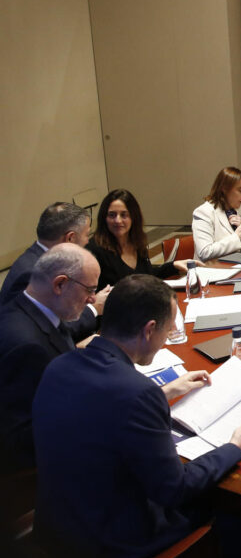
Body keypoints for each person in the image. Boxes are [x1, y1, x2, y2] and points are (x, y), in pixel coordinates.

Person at [32, 274, 241, 558]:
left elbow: (101, 406)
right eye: (168, 331)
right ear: (149, 330)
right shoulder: (137, 393)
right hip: (112, 549)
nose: (167, 339)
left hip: (57, 534)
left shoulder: (59, 365)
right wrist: (235, 446)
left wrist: (164, 392)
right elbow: (175, 489)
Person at [0, 244, 100, 471]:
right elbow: (23, 437)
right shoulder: (26, 346)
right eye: (89, 290)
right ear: (60, 284)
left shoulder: (31, 310)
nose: (93, 299)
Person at [0, 203, 110, 339]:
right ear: (70, 238)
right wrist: (94, 308)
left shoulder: (41, 259)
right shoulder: (32, 273)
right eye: (87, 234)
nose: (87, 241)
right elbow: (51, 330)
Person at [87, 189, 190, 289]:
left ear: (134, 217)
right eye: (112, 215)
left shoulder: (136, 242)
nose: (118, 220)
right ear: (104, 218)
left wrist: (173, 266)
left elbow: (145, 276)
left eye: (124, 215)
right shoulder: (93, 250)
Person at [192, 166, 241, 261]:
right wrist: (237, 238)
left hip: (239, 264)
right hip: (212, 268)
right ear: (224, 189)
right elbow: (205, 252)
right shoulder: (204, 212)